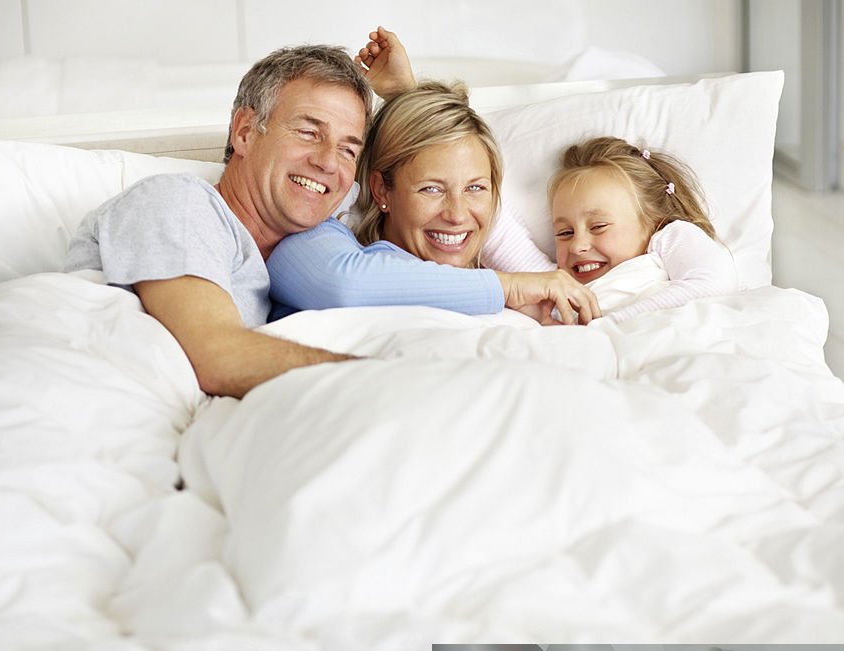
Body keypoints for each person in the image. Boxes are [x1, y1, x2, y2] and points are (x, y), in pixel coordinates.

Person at [66, 40, 379, 398]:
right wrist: (390, 379)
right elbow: (219, 358)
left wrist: (403, 93)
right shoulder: (180, 202)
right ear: (245, 131)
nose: (327, 162)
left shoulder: (307, 244)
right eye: (309, 133)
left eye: (348, 149)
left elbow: (411, 188)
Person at [266, 81, 601, 326]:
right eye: (431, 190)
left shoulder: (514, 293)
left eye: (475, 188)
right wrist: (508, 287)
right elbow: (343, 284)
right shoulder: (319, 237)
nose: (457, 215)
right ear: (382, 191)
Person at [545, 136, 738, 322]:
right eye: (565, 233)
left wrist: (613, 322)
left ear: (654, 224)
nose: (577, 246)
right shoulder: (556, 284)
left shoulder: (669, 237)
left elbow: (715, 283)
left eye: (598, 227)